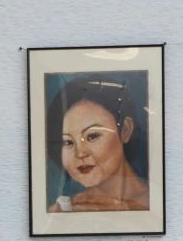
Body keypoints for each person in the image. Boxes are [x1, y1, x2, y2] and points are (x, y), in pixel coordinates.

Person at [46, 76, 149, 213]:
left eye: (92, 136)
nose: (80, 153)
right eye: (68, 142)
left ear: (125, 130)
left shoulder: (159, 202)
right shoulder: (61, 211)